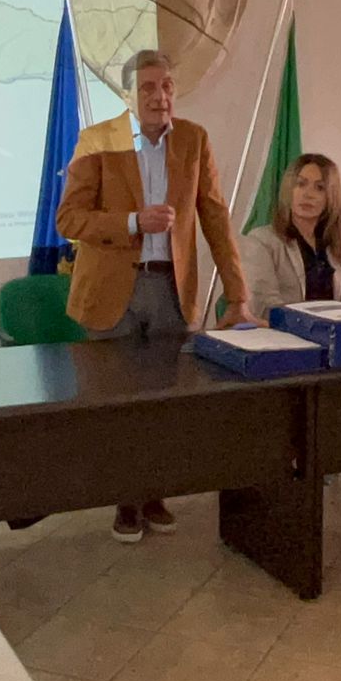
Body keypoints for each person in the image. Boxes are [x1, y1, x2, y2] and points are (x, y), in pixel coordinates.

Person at [57, 48, 254, 543]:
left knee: (165, 402)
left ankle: (155, 494)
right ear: (127, 95)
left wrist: (238, 295)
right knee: (117, 404)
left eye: (166, 86)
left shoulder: (193, 139)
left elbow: (215, 217)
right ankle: (125, 501)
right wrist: (132, 222)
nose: (159, 96)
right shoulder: (97, 140)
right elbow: (69, 219)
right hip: (110, 292)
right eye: (147, 87)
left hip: (171, 288)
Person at [239, 152, 341, 316]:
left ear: (331, 197)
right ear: (289, 189)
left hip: (332, 330)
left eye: (319, 188)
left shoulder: (335, 244)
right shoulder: (261, 241)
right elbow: (264, 306)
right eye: (301, 184)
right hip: (284, 330)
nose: (308, 194)